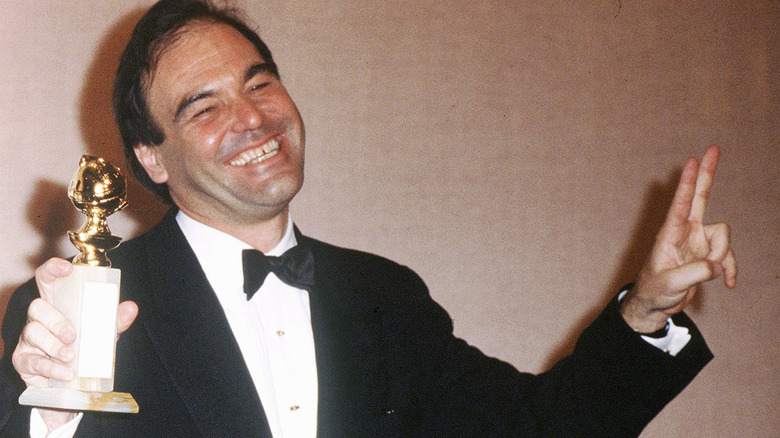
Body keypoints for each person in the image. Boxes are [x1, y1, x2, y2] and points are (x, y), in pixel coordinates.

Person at [0, 0, 736, 436]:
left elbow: (538, 429)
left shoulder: (385, 297)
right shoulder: (72, 309)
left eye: (260, 83)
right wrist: (52, 415)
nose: (254, 117)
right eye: (205, 105)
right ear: (152, 158)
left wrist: (648, 308)